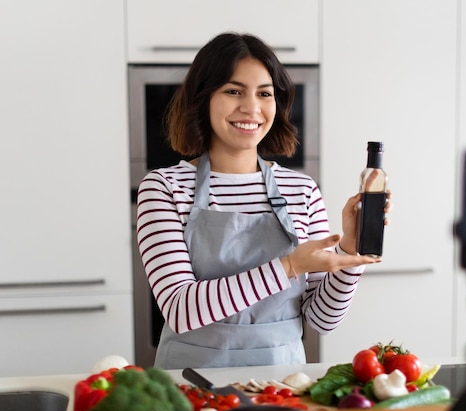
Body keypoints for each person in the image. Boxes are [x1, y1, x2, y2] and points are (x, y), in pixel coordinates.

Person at [136, 32, 392, 369]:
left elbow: (322, 320)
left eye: (264, 93)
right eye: (233, 91)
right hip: (189, 384)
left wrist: (350, 253)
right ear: (203, 99)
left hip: (281, 381)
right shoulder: (164, 188)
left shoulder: (302, 190)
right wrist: (290, 266)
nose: (251, 108)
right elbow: (182, 310)